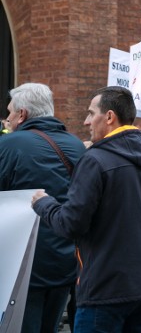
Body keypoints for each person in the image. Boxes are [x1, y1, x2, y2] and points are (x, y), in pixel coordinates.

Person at [32, 86, 141, 332]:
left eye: (90, 113)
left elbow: (71, 223)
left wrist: (43, 203)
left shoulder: (94, 160)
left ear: (109, 117)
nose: (86, 122)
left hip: (104, 288)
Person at [0, 83, 86, 333]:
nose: (8, 118)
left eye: (10, 112)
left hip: (22, 263)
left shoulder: (10, 145)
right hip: (66, 258)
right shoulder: (77, 145)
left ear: (22, 114)